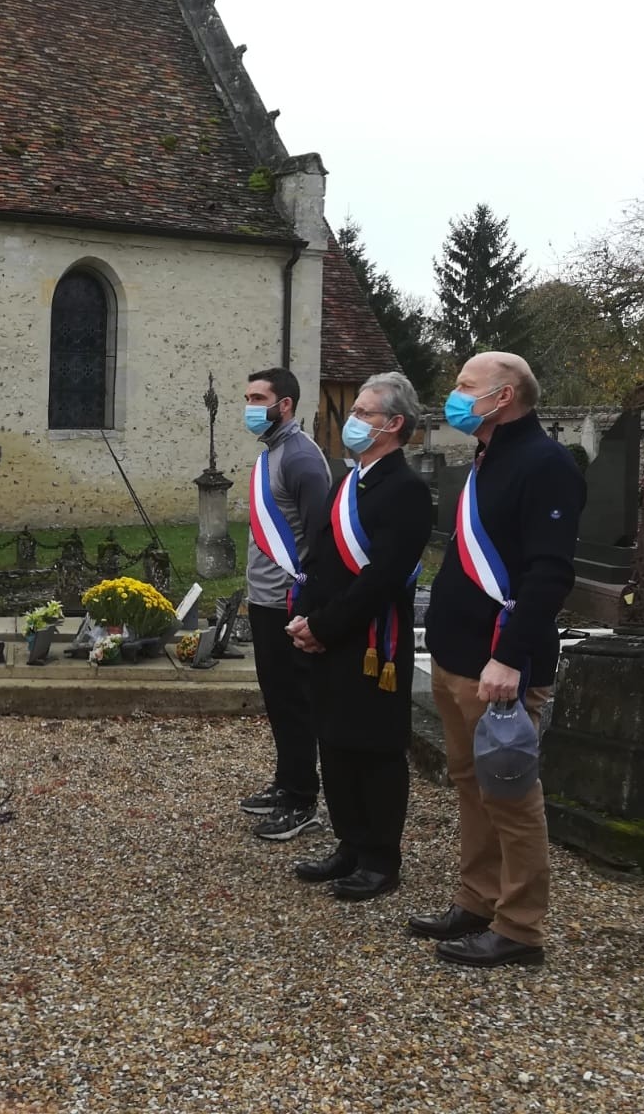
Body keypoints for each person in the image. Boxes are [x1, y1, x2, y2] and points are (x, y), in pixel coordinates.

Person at [411, 351, 585, 967]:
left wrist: (509, 658)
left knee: (510, 795)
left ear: (504, 396)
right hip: (458, 655)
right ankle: (476, 899)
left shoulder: (545, 464)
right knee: (470, 785)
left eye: (466, 385)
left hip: (502, 663)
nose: (454, 395)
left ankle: (519, 927)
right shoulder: (487, 458)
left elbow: (548, 573)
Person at [286, 372, 433, 900]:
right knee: (336, 741)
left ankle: (379, 857)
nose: (353, 419)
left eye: (365, 413)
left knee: (375, 748)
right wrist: (305, 617)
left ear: (394, 425)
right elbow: (320, 559)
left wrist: (325, 626)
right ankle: (348, 843)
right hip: (327, 634)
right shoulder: (348, 481)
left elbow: (383, 577)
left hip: (373, 641)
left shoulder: (407, 490)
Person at [237, 366, 332, 841]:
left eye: (258, 398)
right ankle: (286, 782)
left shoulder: (301, 458)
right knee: (277, 698)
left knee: (294, 702)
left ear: (285, 404)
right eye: (249, 398)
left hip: (289, 601)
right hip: (265, 598)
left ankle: (302, 800)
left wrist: (309, 604)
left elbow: (319, 536)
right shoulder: (272, 452)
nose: (250, 407)